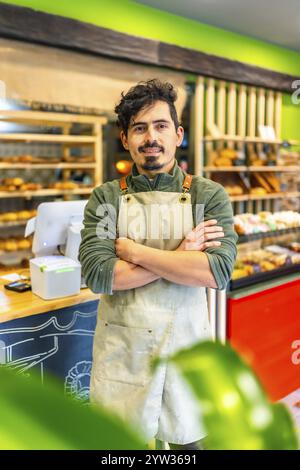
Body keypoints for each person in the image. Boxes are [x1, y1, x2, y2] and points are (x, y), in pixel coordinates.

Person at [79, 79, 238, 449]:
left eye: (160, 125)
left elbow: (216, 271)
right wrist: (184, 256)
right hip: (123, 352)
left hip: (186, 347)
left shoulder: (206, 194)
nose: (151, 137)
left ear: (178, 134)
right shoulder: (106, 198)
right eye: (139, 128)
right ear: (125, 138)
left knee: (189, 447)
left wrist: (133, 252)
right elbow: (100, 275)